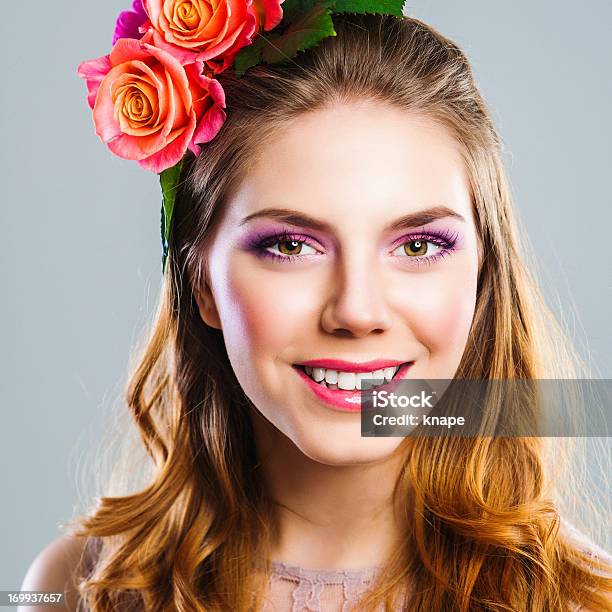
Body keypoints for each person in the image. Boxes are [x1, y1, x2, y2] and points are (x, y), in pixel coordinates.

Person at [21, 11, 612, 612]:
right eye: (291, 246)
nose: (357, 310)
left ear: (482, 271)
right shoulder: (73, 589)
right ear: (200, 280)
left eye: (417, 246)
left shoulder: (585, 600)